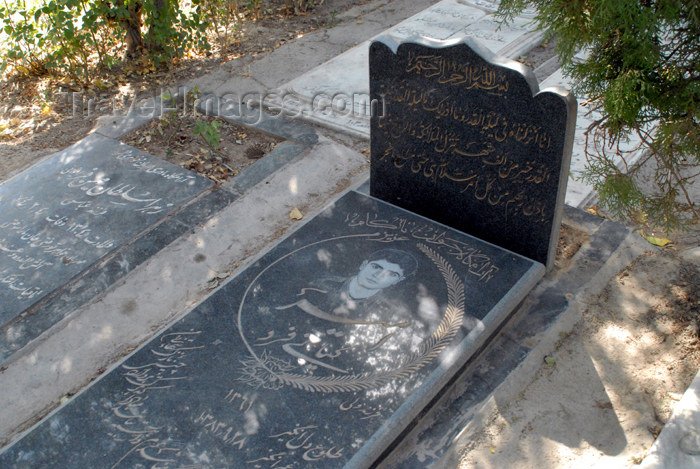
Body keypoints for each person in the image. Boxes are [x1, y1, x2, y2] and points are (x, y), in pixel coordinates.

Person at [272, 248, 424, 375]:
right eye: (376, 267)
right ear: (364, 265)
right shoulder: (319, 284)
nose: (378, 275)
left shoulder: (385, 313)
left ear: (397, 281)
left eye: (392, 274)